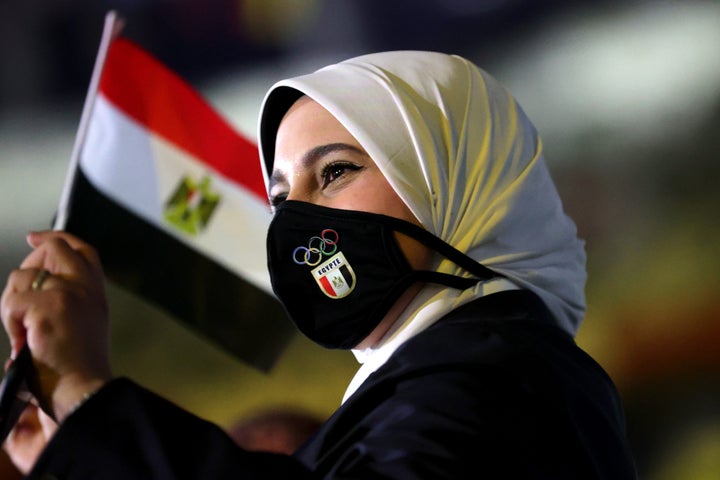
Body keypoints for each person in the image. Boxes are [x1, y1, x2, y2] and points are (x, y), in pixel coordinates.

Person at [1, 50, 638, 478]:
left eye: (335, 172)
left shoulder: (498, 377)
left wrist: (90, 403)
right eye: (281, 199)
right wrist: (75, 448)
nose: (298, 225)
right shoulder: (453, 375)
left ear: (452, 175)